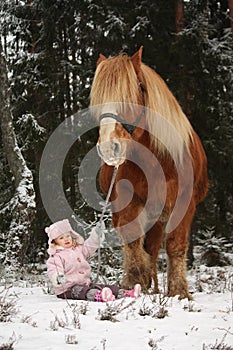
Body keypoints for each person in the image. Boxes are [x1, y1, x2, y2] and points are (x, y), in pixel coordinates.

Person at [45, 219, 141, 302]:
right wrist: (57, 277)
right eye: (61, 238)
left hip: (85, 283)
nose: (66, 239)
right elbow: (53, 269)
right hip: (67, 289)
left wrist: (96, 234)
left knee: (100, 286)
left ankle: (125, 293)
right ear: (54, 242)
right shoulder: (56, 256)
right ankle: (99, 296)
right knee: (83, 291)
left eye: (68, 236)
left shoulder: (79, 249)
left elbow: (90, 246)